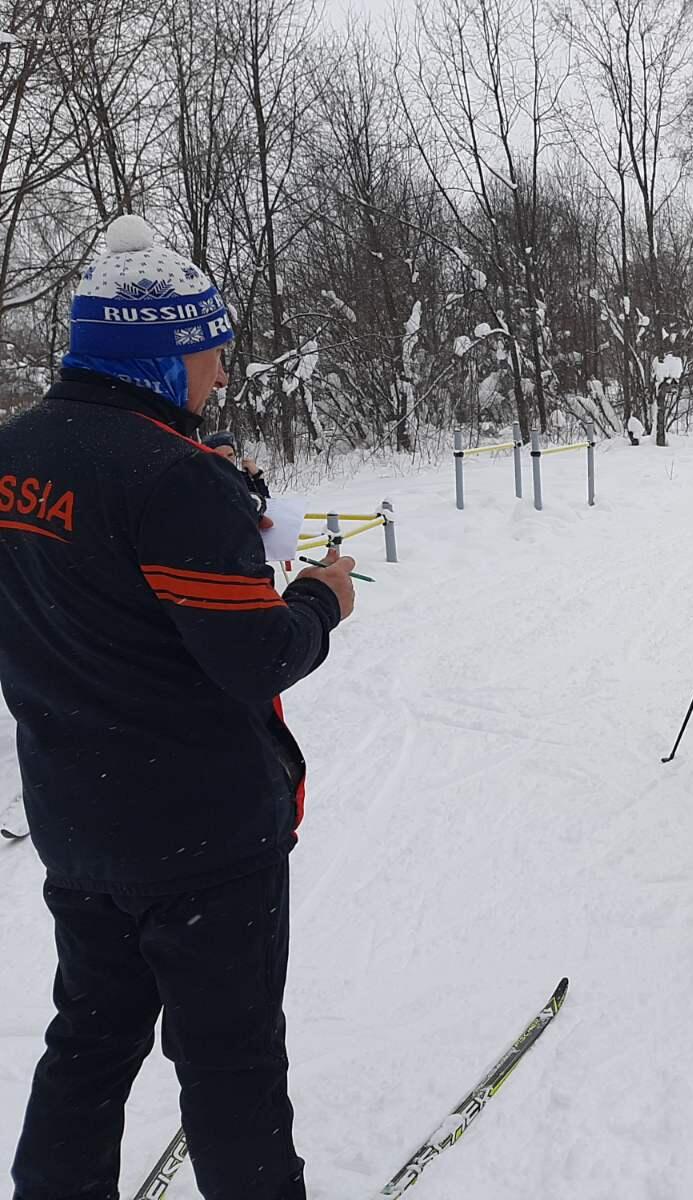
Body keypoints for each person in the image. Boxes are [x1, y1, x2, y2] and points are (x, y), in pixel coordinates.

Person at [0, 214, 356, 1200]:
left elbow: (84, 587)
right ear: (159, 355)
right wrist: (321, 597)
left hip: (79, 822)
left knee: (89, 1043)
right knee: (231, 1062)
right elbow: (258, 655)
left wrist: (220, 519)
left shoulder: (17, 452)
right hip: (201, 840)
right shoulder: (171, 476)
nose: (223, 375)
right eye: (212, 353)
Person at [204, 429, 271, 504]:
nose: (227, 460)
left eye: (230, 455)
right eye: (220, 456)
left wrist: (257, 475)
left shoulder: (241, 477)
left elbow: (265, 504)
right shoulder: (204, 481)